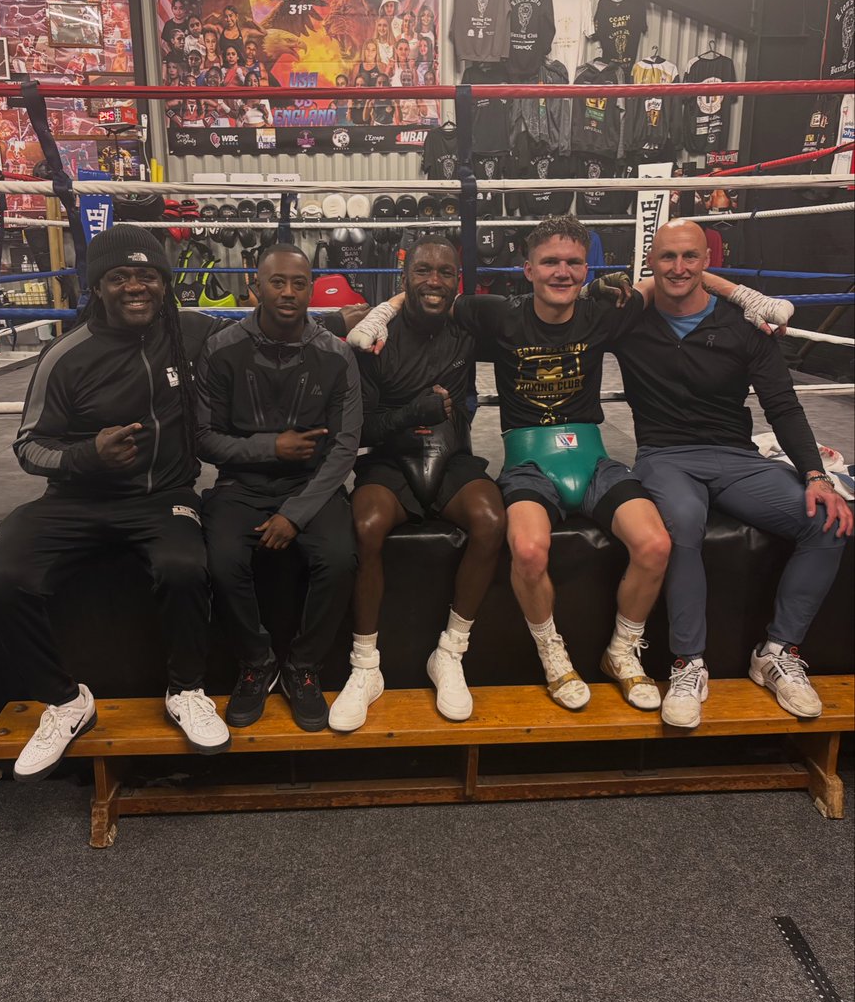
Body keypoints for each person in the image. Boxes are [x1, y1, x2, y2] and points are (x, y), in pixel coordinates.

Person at [349, 215, 673, 712]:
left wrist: (626, 285)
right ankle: (553, 655)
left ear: (587, 269)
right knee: (525, 548)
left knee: (655, 543)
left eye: (573, 263)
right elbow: (430, 294)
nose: (561, 272)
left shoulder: (604, 312)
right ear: (527, 269)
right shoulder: (497, 315)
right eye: (549, 262)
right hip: (529, 460)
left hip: (592, 456)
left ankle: (622, 653)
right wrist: (377, 316)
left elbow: (676, 280)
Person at [0, 226, 231, 780]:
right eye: (120, 277)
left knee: (185, 567)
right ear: (98, 287)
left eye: (147, 276)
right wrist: (85, 456)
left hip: (161, 497)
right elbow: (28, 445)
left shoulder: (189, 330)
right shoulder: (66, 354)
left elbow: (262, 330)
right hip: (76, 499)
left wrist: (363, 319)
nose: (135, 287)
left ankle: (187, 690)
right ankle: (66, 702)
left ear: (165, 284)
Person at [615, 219, 852, 728]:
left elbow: (783, 406)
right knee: (680, 523)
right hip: (665, 455)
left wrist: (815, 474)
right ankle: (687, 663)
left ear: (706, 261)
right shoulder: (629, 321)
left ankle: (777, 652)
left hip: (736, 458)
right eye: (667, 257)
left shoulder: (745, 326)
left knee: (827, 520)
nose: (679, 268)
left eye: (690, 257)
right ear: (651, 263)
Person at [331, 238, 506, 732]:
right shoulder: (375, 336)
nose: (435, 281)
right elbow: (360, 430)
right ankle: (365, 665)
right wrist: (412, 414)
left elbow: (535, 312)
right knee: (364, 525)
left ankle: (450, 653)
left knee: (492, 519)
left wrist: (604, 293)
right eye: (424, 271)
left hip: (452, 457)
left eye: (446, 273)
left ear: (458, 280)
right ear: (405, 275)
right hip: (389, 457)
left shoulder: (469, 326)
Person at [196, 243, 363, 734]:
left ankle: (303, 666)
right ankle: (256, 661)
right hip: (241, 485)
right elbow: (204, 437)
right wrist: (271, 447)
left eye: (298, 283)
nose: (288, 292)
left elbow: (345, 445)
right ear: (256, 286)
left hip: (312, 487)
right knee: (221, 561)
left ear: (310, 287)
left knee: (339, 559)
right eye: (277, 282)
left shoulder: (335, 354)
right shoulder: (221, 349)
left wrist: (297, 512)